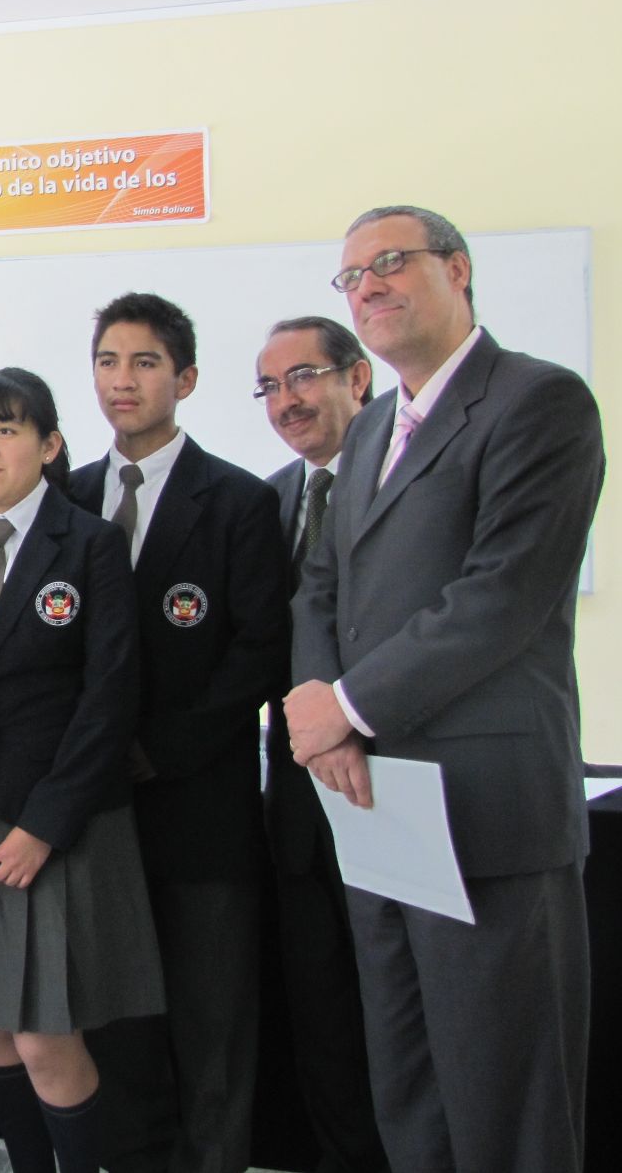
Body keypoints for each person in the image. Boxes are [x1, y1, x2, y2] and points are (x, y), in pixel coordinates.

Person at [287, 205, 603, 1173]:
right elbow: (323, 585)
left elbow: (499, 599)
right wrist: (319, 710)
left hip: (486, 817)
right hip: (375, 805)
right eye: (351, 277)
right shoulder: (374, 421)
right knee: (411, 1094)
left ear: (457, 270)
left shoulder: (538, 403)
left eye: (390, 263)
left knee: (507, 1106)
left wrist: (347, 706)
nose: (369, 287)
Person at [0, 367, 163, 1173]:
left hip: (56, 829)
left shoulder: (90, 544)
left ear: (48, 446)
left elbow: (109, 701)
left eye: (6, 429)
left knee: (48, 1039)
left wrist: (44, 825)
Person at [68, 292, 286, 1173]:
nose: (123, 381)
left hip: (200, 807)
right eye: (109, 362)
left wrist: (161, 750)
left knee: (211, 1022)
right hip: (93, 814)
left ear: (185, 378)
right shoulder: (67, 495)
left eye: (145, 362)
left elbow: (260, 654)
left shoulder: (236, 501)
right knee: (116, 1019)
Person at [253, 317, 387, 1173]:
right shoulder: (268, 500)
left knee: (404, 1026)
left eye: (302, 377)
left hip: (393, 792)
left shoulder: (407, 482)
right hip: (301, 811)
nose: (286, 402)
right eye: (269, 388)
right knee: (327, 1025)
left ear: (358, 379)